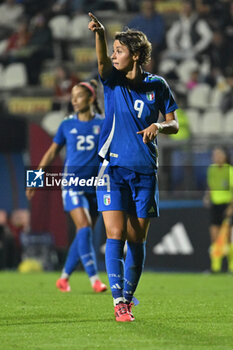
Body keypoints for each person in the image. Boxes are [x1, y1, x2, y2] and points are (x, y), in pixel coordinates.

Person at [88, 13, 179, 322]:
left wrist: (159, 126)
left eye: (119, 50)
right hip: (111, 170)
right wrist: (99, 36)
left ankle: (128, 295)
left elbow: (174, 123)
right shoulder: (112, 81)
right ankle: (119, 302)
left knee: (136, 239)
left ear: (136, 55)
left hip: (144, 172)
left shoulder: (158, 86)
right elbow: (101, 64)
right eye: (112, 50)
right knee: (114, 234)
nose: (113, 56)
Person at [26, 80, 107, 293]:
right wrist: (35, 179)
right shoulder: (67, 125)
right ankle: (94, 279)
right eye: (72, 97)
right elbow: (52, 152)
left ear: (90, 99)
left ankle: (63, 278)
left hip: (94, 186)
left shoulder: (102, 124)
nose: (74, 100)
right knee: (84, 226)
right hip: (72, 184)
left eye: (78, 96)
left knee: (84, 232)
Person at [203, 147, 233, 273]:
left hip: (227, 205)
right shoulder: (211, 169)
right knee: (214, 237)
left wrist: (231, 207)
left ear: (225, 156)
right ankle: (215, 268)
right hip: (215, 205)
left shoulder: (230, 170)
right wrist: (207, 196)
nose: (217, 157)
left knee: (229, 237)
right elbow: (210, 185)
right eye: (215, 155)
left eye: (219, 155)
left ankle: (231, 267)